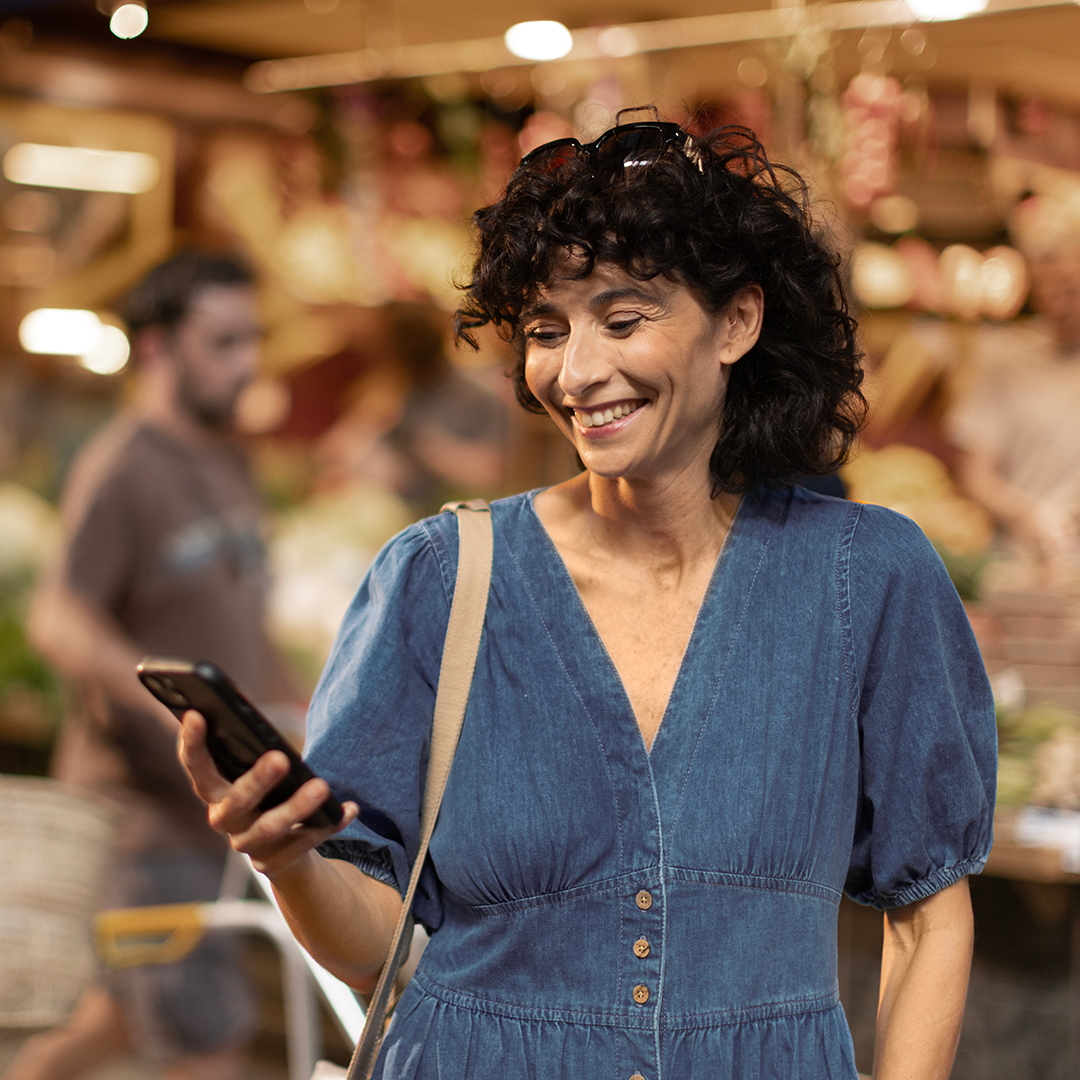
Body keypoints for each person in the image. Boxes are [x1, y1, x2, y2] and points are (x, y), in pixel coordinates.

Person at [178, 121, 996, 1079]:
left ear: (738, 322)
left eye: (623, 319)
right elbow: (372, 947)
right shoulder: (440, 580)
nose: (574, 373)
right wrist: (284, 858)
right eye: (545, 330)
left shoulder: (866, 577)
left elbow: (928, 918)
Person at [8, 252, 298, 1080]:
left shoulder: (225, 459)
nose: (247, 361)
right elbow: (58, 617)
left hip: (210, 808)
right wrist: (180, 704)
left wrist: (302, 704)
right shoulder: (123, 465)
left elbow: (240, 620)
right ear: (159, 347)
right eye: (224, 341)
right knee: (210, 1045)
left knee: (109, 1022)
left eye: (253, 338)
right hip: (143, 818)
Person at [946, 199, 1080, 561]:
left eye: (1071, 290)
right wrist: (1027, 515)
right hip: (1018, 562)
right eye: (1049, 291)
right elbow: (974, 474)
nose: (1060, 305)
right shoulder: (1005, 361)